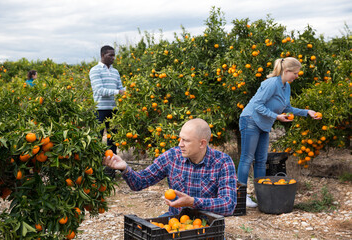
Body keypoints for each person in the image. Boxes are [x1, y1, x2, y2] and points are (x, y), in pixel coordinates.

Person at [103, 118, 237, 217]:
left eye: (186, 140)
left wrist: (192, 202)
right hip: (175, 221)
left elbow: (228, 205)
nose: (180, 144)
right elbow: (140, 182)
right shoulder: (172, 156)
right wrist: (124, 168)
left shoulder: (222, 162)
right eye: (180, 139)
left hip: (207, 225)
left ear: (202, 143)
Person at [237, 57, 322, 208]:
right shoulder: (271, 83)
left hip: (264, 124)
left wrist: (307, 112)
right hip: (250, 119)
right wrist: (276, 116)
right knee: (247, 158)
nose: (297, 76)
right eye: (295, 73)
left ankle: (260, 194)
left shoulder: (286, 87)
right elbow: (257, 105)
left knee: (262, 160)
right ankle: (241, 196)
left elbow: (287, 108)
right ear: (286, 71)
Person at [90, 45, 125, 177]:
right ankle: (96, 170)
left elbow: (121, 87)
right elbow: (99, 90)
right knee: (97, 140)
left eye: (114, 55)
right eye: (110, 55)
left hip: (113, 110)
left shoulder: (115, 72)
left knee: (113, 141)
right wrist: (119, 92)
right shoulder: (95, 70)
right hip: (99, 109)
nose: (113, 58)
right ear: (103, 55)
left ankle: (110, 172)